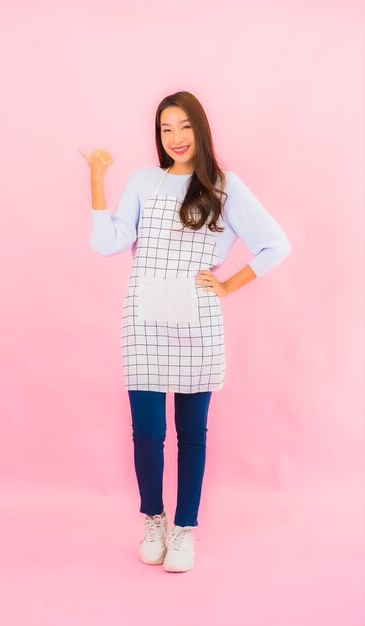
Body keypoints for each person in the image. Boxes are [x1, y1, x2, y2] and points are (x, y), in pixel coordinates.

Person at [80, 90, 291, 573]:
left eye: (184, 127)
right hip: (143, 319)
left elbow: (274, 245)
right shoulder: (141, 183)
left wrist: (228, 284)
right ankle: (153, 519)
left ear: (200, 128)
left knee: (192, 434)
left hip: (198, 321)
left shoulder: (224, 186)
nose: (175, 138)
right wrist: (96, 180)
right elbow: (105, 242)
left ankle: (184, 529)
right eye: (165, 129)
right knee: (147, 432)